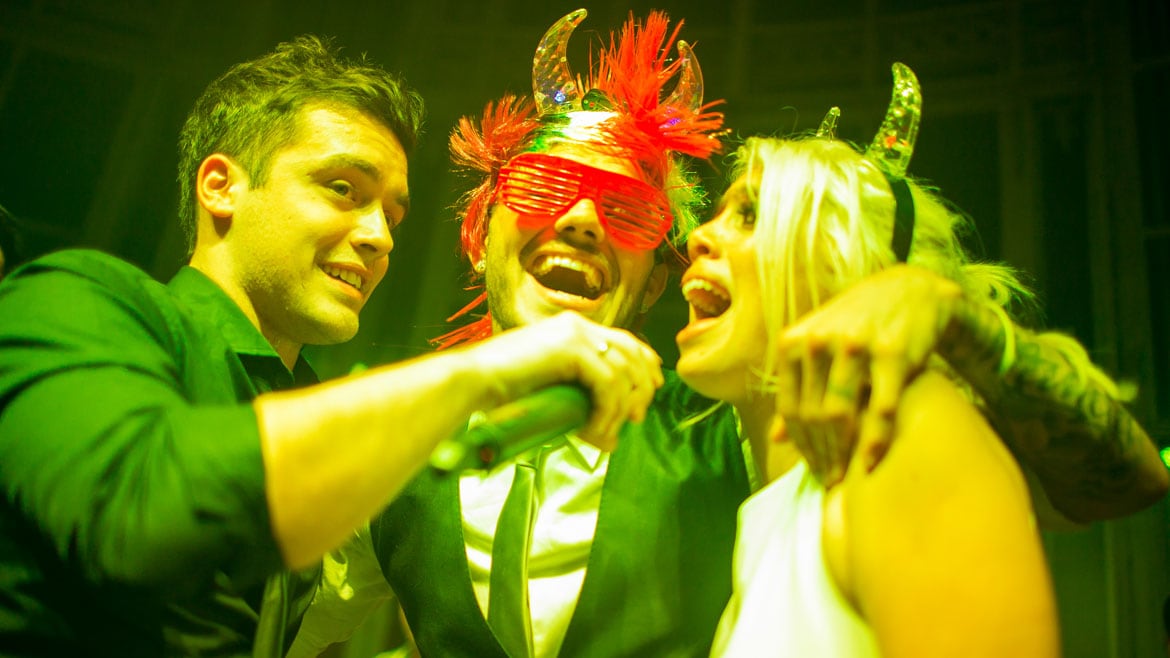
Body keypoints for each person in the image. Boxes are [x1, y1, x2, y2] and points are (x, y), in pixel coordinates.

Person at [292, 11, 1166, 658]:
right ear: (481, 231)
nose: (587, 220)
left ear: (655, 281)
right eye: (551, 188)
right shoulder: (385, 440)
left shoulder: (746, 432)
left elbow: (1116, 480)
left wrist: (943, 310)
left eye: (634, 212)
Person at [0, 34, 665, 657]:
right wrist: (479, 371)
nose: (379, 236)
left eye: (392, 213)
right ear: (221, 186)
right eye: (343, 189)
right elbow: (141, 514)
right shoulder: (68, 298)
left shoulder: (314, 411)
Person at [675, 63, 1157, 656]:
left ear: (842, 265)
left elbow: (1137, 479)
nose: (697, 236)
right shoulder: (771, 511)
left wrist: (947, 311)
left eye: (750, 214)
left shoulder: (900, 432)